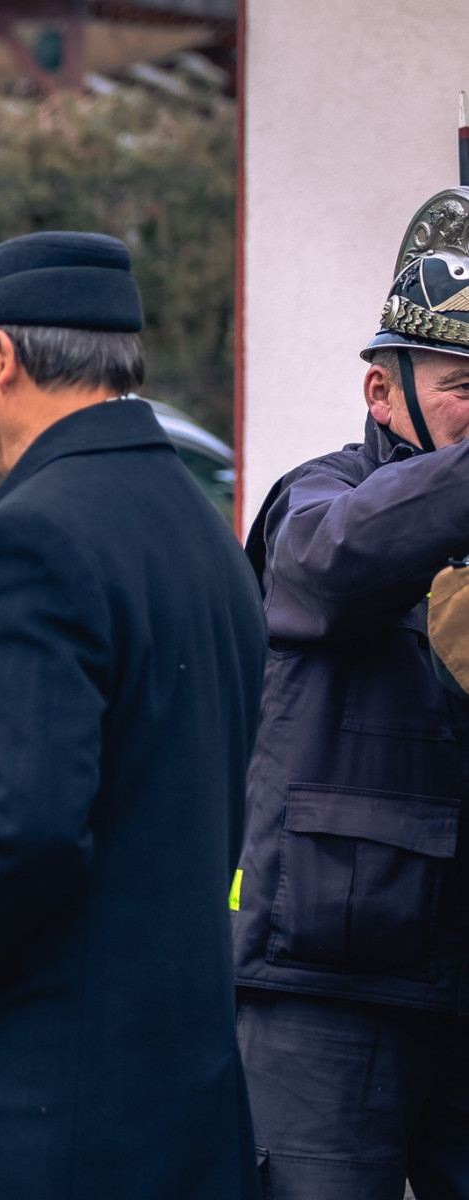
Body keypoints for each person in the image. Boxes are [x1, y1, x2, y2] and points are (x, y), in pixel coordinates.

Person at [0, 233, 266, 1200]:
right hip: (168, 1092)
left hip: (29, 1103)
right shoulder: (201, 527)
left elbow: (18, 822)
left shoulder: (36, 532)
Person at [235, 186, 469, 1199]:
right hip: (327, 987)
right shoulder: (314, 497)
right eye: (466, 385)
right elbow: (331, 567)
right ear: (382, 392)